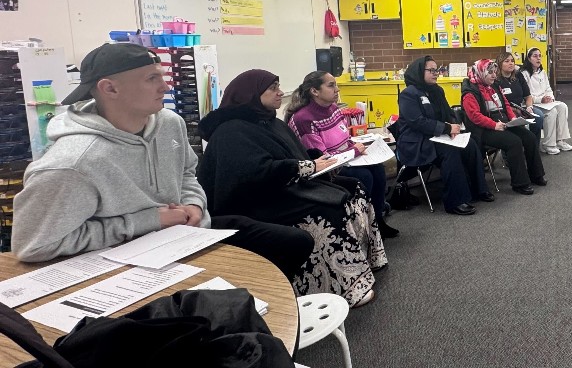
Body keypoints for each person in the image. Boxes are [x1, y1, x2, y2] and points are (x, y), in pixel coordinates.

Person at [11, 44, 313, 281]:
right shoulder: (72, 163)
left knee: (293, 242)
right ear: (110, 89)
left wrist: (194, 206)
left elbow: (186, 174)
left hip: (184, 235)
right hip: (126, 258)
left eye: (163, 76)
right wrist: (148, 221)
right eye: (152, 78)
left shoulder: (169, 123)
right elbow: (34, 245)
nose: (165, 87)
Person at [197, 69, 387, 307]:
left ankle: (363, 263)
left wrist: (314, 159)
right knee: (327, 212)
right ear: (253, 94)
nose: (280, 92)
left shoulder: (271, 122)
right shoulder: (231, 131)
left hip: (287, 186)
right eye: (273, 88)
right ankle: (341, 287)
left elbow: (293, 154)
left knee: (354, 188)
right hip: (259, 201)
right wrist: (308, 166)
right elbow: (255, 173)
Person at [285, 70, 399, 238]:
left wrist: (356, 147)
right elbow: (322, 158)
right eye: (331, 85)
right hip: (328, 169)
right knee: (363, 176)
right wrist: (353, 151)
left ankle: (377, 221)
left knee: (378, 170)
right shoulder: (303, 120)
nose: (337, 89)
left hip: (348, 158)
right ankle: (364, 228)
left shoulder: (333, 108)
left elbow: (346, 138)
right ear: (314, 91)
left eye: (336, 85)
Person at [396, 56, 492, 215]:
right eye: (431, 70)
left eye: (437, 70)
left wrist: (455, 128)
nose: (436, 74)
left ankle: (478, 190)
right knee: (450, 151)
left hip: (438, 136)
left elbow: (449, 113)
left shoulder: (437, 90)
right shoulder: (408, 94)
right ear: (420, 71)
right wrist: (447, 129)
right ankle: (456, 201)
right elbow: (418, 122)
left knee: (470, 144)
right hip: (417, 142)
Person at [462, 59, 546, 194]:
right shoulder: (470, 92)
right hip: (484, 129)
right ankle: (520, 183)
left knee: (529, 137)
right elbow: (475, 116)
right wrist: (494, 125)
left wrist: (513, 118)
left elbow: (505, 104)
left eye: (495, 72)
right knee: (514, 142)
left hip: (503, 123)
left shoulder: (494, 85)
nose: (494, 75)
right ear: (480, 73)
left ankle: (536, 175)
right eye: (490, 73)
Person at [521, 47, 572, 155]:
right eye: (535, 56)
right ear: (529, 59)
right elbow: (526, 95)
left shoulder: (542, 72)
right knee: (552, 112)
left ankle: (560, 141)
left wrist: (550, 98)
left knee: (562, 106)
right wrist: (541, 99)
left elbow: (548, 89)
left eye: (540, 56)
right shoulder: (524, 74)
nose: (538, 58)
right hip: (533, 103)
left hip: (545, 103)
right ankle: (548, 144)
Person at [495, 51, 543, 140]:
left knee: (538, 115)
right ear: (500, 64)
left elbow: (528, 96)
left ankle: (533, 146)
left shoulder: (518, 75)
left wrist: (529, 108)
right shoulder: (496, 80)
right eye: (507, 61)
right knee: (518, 124)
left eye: (512, 61)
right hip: (506, 111)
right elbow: (498, 104)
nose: (511, 63)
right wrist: (515, 110)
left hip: (521, 108)